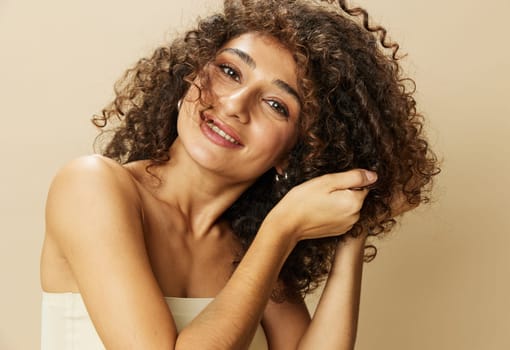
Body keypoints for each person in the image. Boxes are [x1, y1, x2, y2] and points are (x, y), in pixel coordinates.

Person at [40, 0, 439, 349]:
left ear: (299, 151)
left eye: (276, 104)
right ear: (191, 74)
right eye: (230, 72)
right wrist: (281, 229)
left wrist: (356, 231)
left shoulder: (248, 249)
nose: (234, 105)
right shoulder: (92, 186)